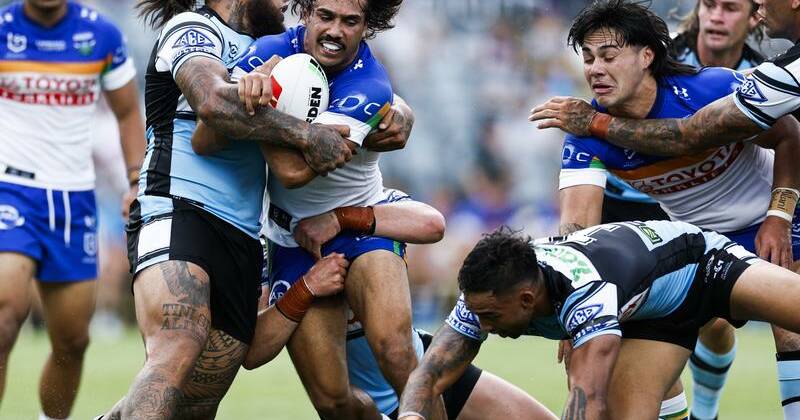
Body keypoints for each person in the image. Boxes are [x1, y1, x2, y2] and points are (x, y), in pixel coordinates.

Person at [110, 0, 381, 416]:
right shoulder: (194, 27)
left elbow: (352, 83)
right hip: (180, 206)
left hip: (242, 233)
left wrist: (398, 111)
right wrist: (306, 135)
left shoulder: (277, 49)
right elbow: (213, 105)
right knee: (177, 342)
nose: (286, 3)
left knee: (195, 403)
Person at [551, 2, 800, 419]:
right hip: (698, 243)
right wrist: (571, 302)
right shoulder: (584, 137)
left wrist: (779, 215)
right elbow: (577, 227)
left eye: (609, 57)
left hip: (771, 223)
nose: (595, 69)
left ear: (647, 56)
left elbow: (790, 134)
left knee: (790, 328)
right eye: (589, 58)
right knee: (636, 357)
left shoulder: (709, 87)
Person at [192, 0, 437, 418]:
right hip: (292, 239)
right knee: (332, 401)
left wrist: (258, 106)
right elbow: (203, 139)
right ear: (306, 14)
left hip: (361, 224)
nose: (335, 31)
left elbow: (293, 172)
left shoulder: (370, 87)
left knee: (395, 352)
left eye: (350, 21)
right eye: (325, 16)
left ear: (367, 27)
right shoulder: (269, 50)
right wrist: (241, 102)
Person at [398, 222, 800, 420]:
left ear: (526, 299)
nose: (483, 327)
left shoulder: (585, 296)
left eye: (490, 318)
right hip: (650, 317)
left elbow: (589, 401)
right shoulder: (486, 296)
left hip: (701, 262)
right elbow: (429, 373)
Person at [243, 201, 558, 420]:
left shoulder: (373, 200)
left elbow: (432, 224)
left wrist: (341, 216)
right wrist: (305, 289)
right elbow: (254, 351)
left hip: (425, 371)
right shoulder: (269, 242)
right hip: (362, 409)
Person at [0, 1, 145, 419]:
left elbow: (127, 110)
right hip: (12, 191)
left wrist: (136, 181)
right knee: (5, 315)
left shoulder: (101, 35)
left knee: (72, 342)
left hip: (73, 199)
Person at [529, 0, 800, 162]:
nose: (717, 16)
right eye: (708, 4)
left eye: (730, 7)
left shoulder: (780, 72)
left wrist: (779, 213)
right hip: (639, 196)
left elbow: (689, 135)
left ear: (754, 18)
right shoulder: (658, 50)